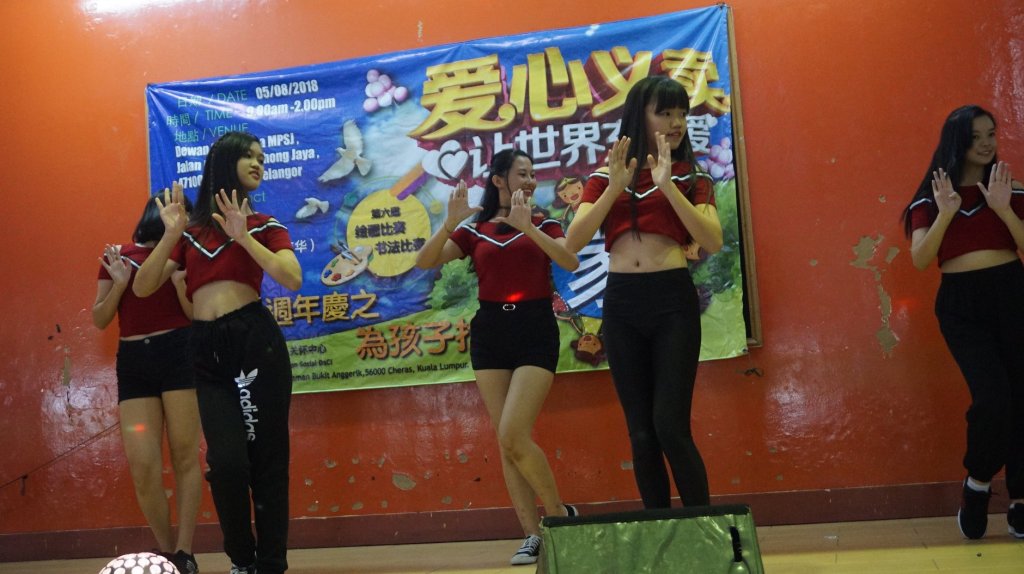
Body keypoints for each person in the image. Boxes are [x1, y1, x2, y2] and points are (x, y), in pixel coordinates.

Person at [134, 131, 302, 574]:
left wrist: (243, 237)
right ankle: (241, 559)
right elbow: (143, 286)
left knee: (267, 460)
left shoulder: (265, 224)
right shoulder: (190, 234)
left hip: (255, 342)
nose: (258, 163)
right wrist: (170, 235)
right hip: (206, 348)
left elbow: (292, 277)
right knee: (226, 463)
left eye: (262, 157)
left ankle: (270, 564)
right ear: (226, 162)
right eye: (249, 155)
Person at [415, 149, 580, 565]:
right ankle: (532, 534)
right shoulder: (476, 231)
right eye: (522, 173)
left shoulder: (544, 222)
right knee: (506, 442)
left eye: (533, 173)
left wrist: (529, 228)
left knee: (513, 433)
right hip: (491, 331)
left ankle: (559, 518)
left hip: (534, 327)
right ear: (499, 180)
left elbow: (569, 260)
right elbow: (424, 261)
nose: (531, 180)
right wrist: (449, 223)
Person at [565, 76, 723, 510]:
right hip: (622, 303)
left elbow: (712, 240)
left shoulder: (693, 176)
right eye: (665, 113)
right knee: (640, 432)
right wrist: (615, 187)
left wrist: (668, 184)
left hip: (672, 301)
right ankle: (659, 530)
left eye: (682, 113)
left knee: (670, 425)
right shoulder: (606, 176)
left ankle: (701, 528)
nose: (676, 122)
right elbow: (573, 241)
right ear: (640, 116)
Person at [901, 104, 1024, 540]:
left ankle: (1020, 498)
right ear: (958, 142)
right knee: (993, 397)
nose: (987, 143)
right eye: (976, 137)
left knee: (1020, 397)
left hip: (1012, 294)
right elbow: (920, 259)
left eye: (991, 133)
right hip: (961, 305)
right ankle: (978, 483)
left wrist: (1004, 210)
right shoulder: (932, 197)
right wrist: (947, 212)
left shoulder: (1009, 188)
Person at [92, 196, 201, 574]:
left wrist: (181, 283)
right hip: (135, 361)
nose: (186, 221)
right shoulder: (119, 255)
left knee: (185, 455)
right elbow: (100, 319)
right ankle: (166, 553)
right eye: (181, 214)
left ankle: (185, 552)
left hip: (179, 352)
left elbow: (193, 314)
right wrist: (119, 284)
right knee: (143, 466)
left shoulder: (186, 253)